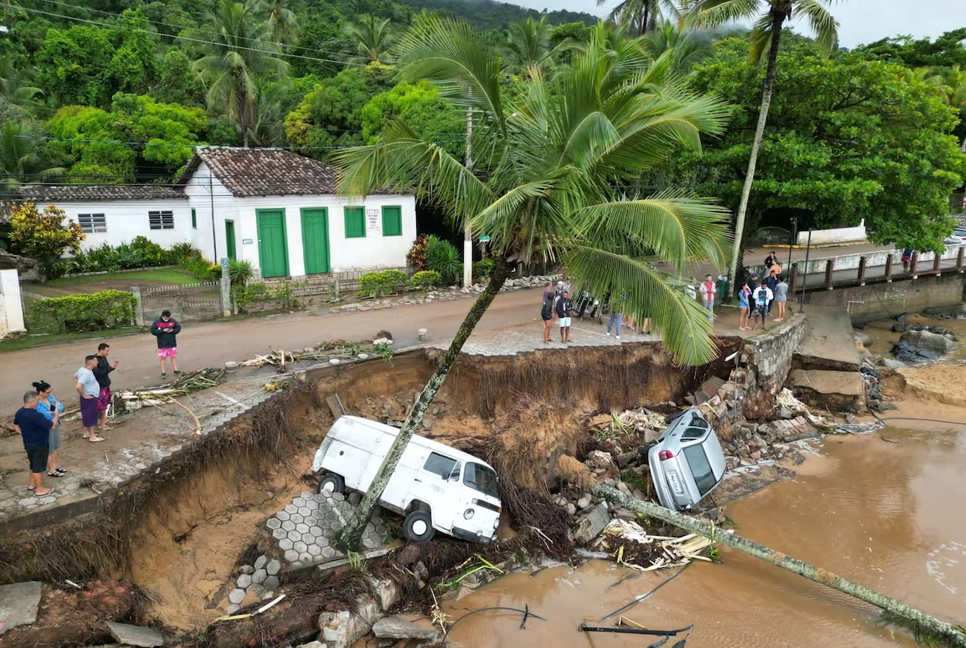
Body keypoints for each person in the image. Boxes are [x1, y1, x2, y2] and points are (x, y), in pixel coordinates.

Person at [13, 391, 54, 496]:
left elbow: (15, 425)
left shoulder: (19, 412)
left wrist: (24, 433)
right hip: (39, 444)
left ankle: (32, 484)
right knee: (38, 467)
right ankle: (40, 489)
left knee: (33, 464)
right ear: (32, 402)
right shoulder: (36, 415)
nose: (38, 403)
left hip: (28, 443)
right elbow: (51, 426)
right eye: (37, 401)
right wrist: (56, 415)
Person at [33, 380, 65, 477]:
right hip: (46, 428)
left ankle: (54, 466)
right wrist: (55, 411)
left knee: (54, 447)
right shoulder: (37, 403)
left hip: (55, 425)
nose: (49, 394)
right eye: (47, 392)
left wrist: (54, 412)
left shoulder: (50, 398)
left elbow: (61, 407)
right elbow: (44, 415)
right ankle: (51, 469)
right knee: (49, 450)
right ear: (41, 392)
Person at [75, 355, 103, 442]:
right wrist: (83, 394)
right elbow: (78, 386)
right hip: (89, 397)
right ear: (91, 362)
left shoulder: (82, 369)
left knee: (86, 415)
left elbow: (75, 377)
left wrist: (84, 386)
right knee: (91, 415)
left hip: (89, 396)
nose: (97, 362)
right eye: (96, 361)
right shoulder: (86, 373)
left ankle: (86, 433)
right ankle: (92, 436)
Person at [93, 342, 118, 432]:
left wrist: (111, 368)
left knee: (106, 402)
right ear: (101, 350)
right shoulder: (95, 360)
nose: (107, 353)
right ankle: (102, 424)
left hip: (106, 383)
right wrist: (109, 368)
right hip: (100, 385)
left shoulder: (104, 358)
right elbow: (98, 373)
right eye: (106, 351)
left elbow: (106, 370)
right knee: (102, 405)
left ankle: (104, 419)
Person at [151, 309, 182, 378]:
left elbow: (178, 328)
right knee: (163, 358)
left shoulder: (173, 321)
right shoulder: (157, 322)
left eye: (168, 318)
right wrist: (162, 331)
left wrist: (173, 330)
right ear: (162, 316)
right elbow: (153, 331)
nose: (167, 319)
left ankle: (176, 370)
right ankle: (163, 372)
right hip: (162, 343)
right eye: (165, 318)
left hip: (172, 342)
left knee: (173, 357)